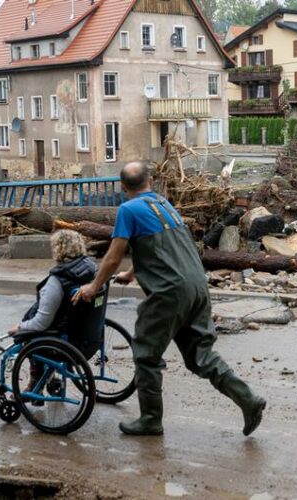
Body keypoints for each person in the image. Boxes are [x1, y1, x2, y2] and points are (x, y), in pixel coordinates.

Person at [74, 162, 266, 437]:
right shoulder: (163, 205)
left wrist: (94, 286)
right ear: (150, 182)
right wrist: (132, 272)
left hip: (169, 292)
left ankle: (151, 420)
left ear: (123, 187)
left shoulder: (128, 210)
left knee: (146, 354)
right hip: (197, 285)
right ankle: (249, 400)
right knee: (201, 355)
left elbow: (113, 255)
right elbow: (162, 248)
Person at [10, 229, 97, 399]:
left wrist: (20, 327)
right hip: (87, 335)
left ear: (58, 249)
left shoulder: (57, 280)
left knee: (24, 338)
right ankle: (49, 374)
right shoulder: (91, 268)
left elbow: (42, 323)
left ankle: (36, 381)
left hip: (62, 340)